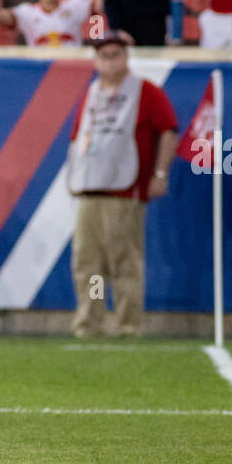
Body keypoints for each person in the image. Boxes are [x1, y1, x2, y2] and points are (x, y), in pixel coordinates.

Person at [64, 34, 178, 338]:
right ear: (96, 60)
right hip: (90, 190)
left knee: (124, 262)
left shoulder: (146, 92)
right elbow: (78, 139)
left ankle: (128, 325)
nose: (109, 60)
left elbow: (169, 131)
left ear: (127, 57)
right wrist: (73, 175)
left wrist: (160, 173)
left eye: (116, 54)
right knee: (89, 263)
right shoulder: (91, 93)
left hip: (125, 192)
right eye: (103, 55)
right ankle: (92, 323)